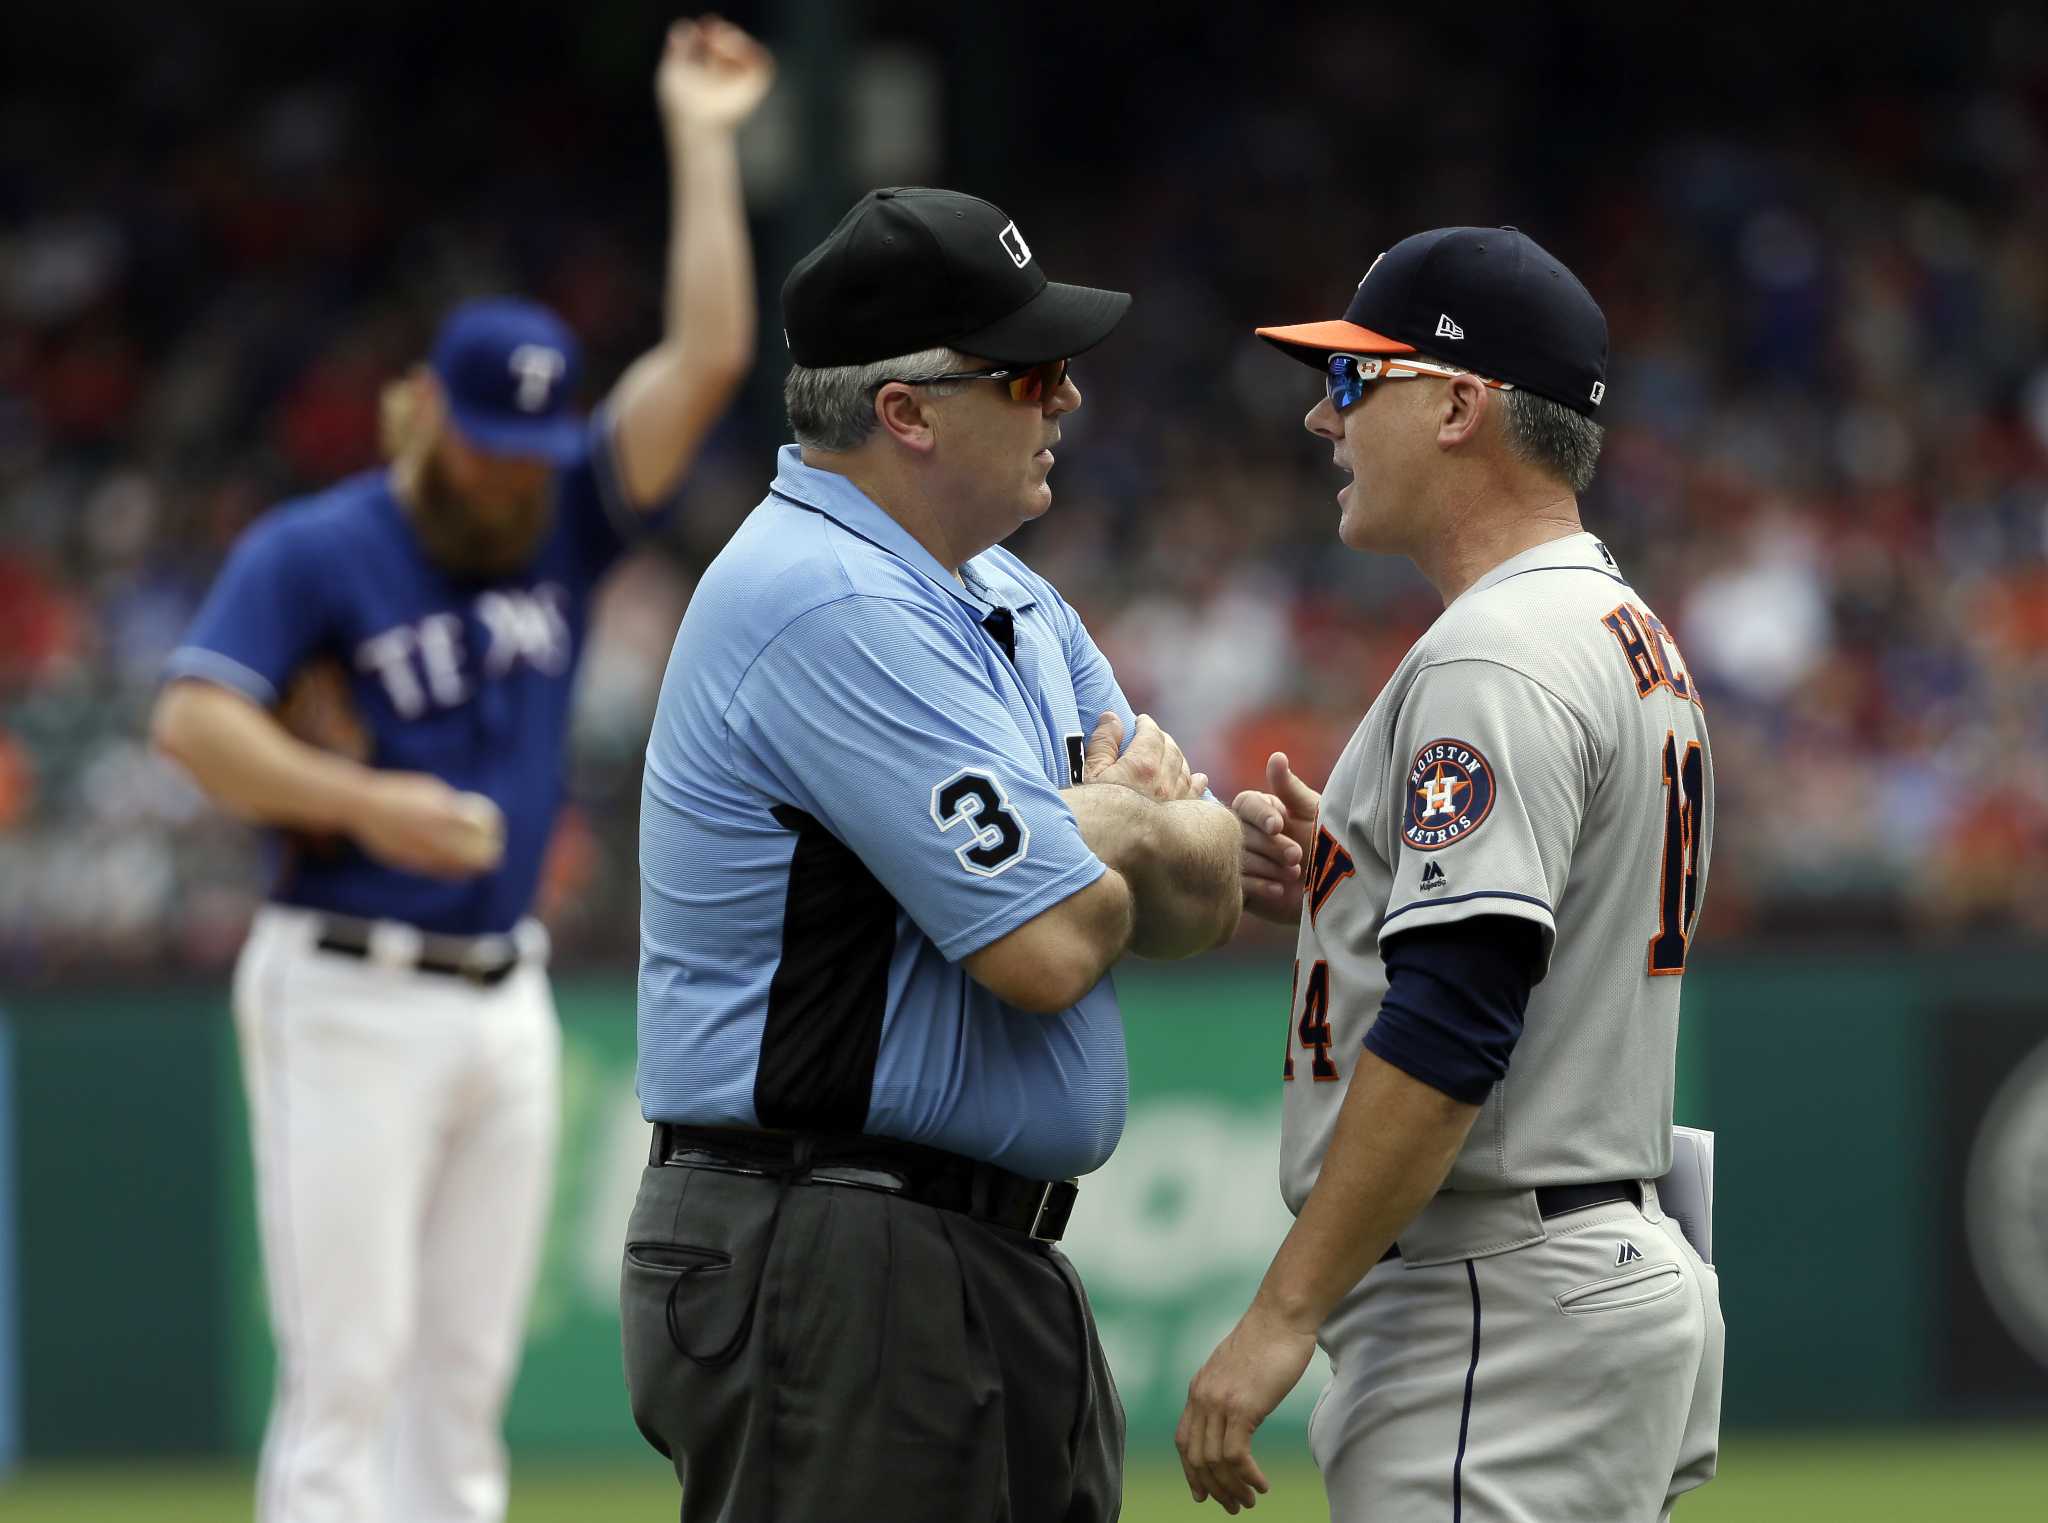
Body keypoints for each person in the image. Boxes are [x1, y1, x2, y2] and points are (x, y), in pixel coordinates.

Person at [148, 19, 774, 1522]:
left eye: (530, 444)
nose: (508, 468)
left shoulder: (556, 510)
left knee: (461, 1388)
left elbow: (709, 358)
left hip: (501, 995)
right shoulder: (323, 545)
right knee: (347, 1377)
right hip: (345, 981)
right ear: (424, 411)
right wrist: (364, 801)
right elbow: (192, 720)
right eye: (485, 439)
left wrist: (698, 137)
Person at [623, 185, 1244, 1523]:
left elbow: (1208, 896)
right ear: (904, 412)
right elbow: (1055, 941)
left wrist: (1128, 839)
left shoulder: (1004, 588)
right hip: (831, 1243)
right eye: (1027, 374)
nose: (1066, 399)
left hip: (969, 1250)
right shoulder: (822, 595)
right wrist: (1129, 817)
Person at [1176, 227, 1724, 1520]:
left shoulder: (1496, 654)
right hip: (1571, 1264)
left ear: (1464, 407)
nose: (1323, 418)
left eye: (1360, 384)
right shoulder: (1614, 625)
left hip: (1500, 1289)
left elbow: (1454, 1016)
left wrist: (1280, 1314)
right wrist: (1362, 874)